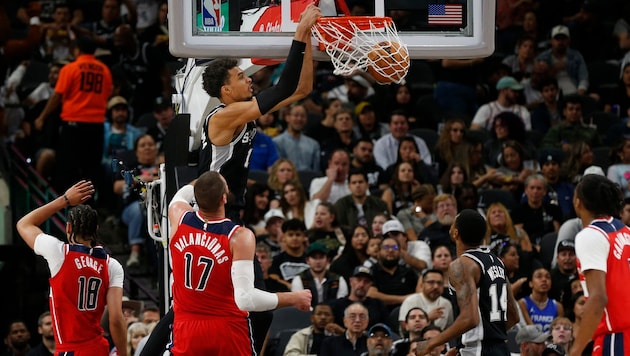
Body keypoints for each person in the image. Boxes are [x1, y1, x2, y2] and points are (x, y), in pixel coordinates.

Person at [198, 5, 322, 222]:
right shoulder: (223, 116)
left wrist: (308, 37)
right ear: (225, 90)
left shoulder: (244, 112)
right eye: (240, 77)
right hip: (212, 210)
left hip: (230, 207)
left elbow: (302, 89)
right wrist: (301, 30)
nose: (249, 78)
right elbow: (283, 88)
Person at [167, 171, 312, 355]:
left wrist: (208, 177)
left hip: (186, 328)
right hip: (226, 329)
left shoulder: (178, 217)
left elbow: (182, 194)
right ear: (224, 198)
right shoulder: (238, 236)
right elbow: (246, 299)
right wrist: (293, 298)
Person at [16, 180, 127, 356]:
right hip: (99, 347)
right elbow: (116, 318)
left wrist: (65, 200)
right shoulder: (111, 264)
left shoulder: (58, 252)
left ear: (68, 228)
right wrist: (123, 352)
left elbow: (24, 224)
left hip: (70, 349)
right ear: (96, 230)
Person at [415, 209, 520, 356]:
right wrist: (467, 341)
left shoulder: (461, 265)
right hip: (500, 350)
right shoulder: (497, 262)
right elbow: (513, 316)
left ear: (455, 233)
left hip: (477, 351)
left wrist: (430, 343)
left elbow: (470, 318)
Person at [34, 36, 113, 193]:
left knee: (67, 168)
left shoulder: (70, 68)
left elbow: (57, 96)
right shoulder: (104, 70)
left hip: (73, 125)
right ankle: (88, 210)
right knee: (90, 170)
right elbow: (108, 93)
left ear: (77, 49)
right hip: (96, 126)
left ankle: (65, 209)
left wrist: (42, 116)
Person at [570, 173, 630, 356]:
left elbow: (598, 298)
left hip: (616, 336)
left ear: (578, 202)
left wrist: (576, 349)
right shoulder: (626, 231)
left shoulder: (591, 235)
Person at [291, 241, 348, 307]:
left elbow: (341, 304)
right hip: (306, 315)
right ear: (308, 260)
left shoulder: (339, 280)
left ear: (327, 260)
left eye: (321, 257)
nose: (318, 261)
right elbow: (298, 304)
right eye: (314, 257)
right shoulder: (299, 279)